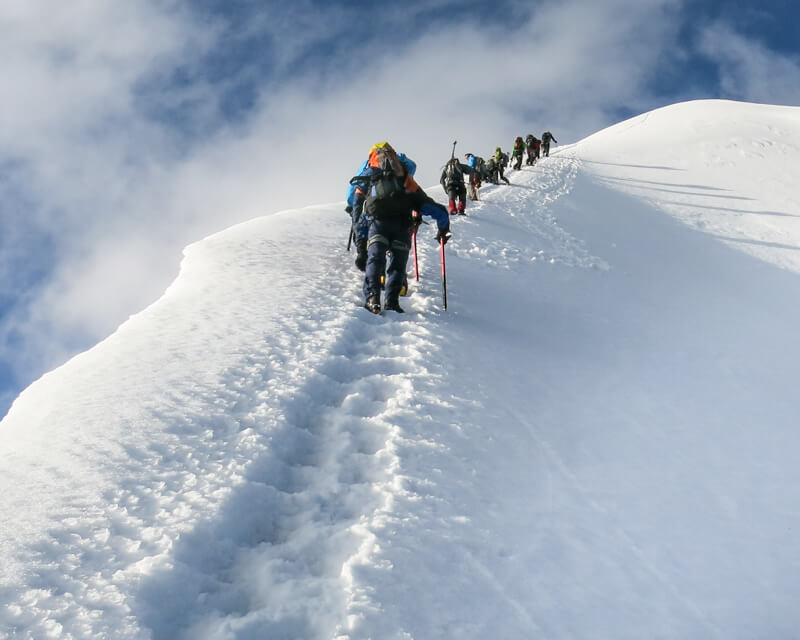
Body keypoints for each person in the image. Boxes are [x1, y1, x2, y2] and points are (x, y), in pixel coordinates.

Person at [351, 142, 451, 314]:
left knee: (375, 259)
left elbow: (357, 206)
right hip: (402, 227)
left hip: (377, 224)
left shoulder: (370, 176)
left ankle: (372, 298)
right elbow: (428, 206)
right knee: (398, 265)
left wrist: (360, 244)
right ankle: (392, 302)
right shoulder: (405, 178)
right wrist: (443, 227)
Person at [346, 151, 416, 271]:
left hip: (373, 206)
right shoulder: (399, 162)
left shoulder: (368, 164)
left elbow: (354, 188)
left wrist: (350, 204)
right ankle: (399, 276)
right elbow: (412, 169)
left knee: (363, 224)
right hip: (399, 208)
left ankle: (363, 253)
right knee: (398, 242)